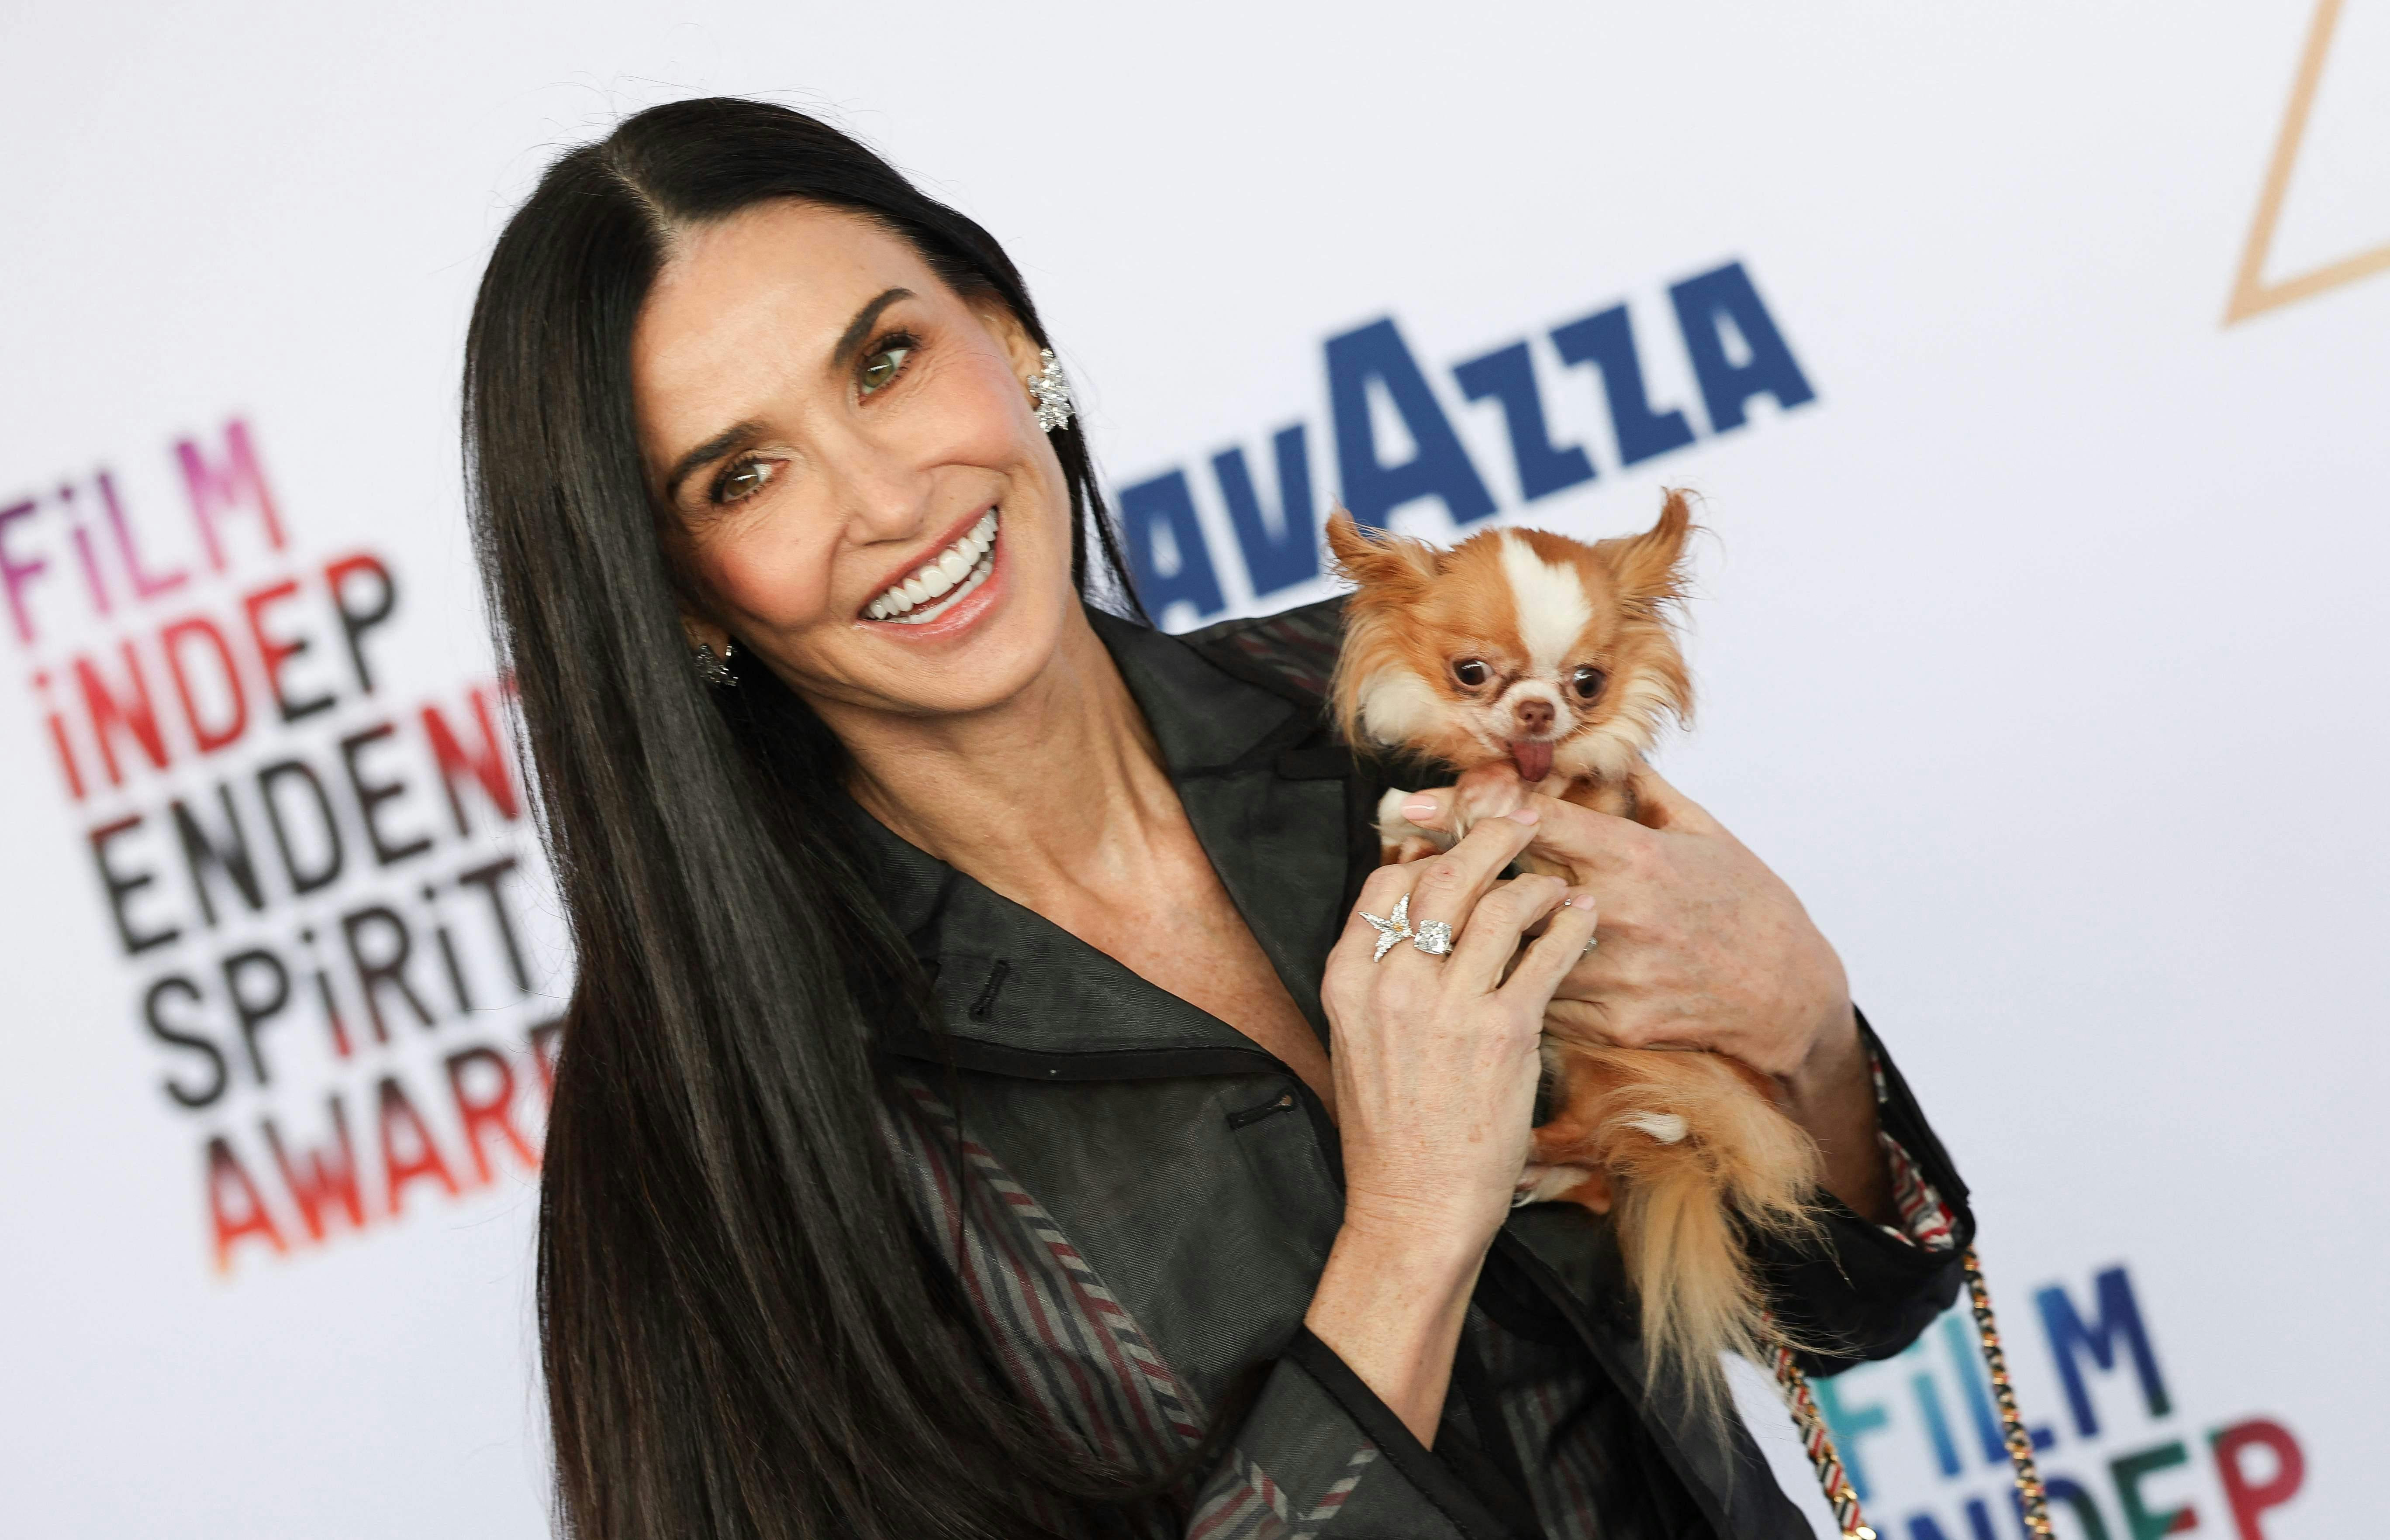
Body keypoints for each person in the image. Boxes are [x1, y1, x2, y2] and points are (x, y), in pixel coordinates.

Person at [462, 96, 1971, 1540]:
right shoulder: (713, 1098)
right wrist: (1407, 1237)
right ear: (679, 596)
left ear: (1009, 338)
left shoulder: (1399, 717)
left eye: (886, 362)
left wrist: (1802, 1024)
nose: (889, 499)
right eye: (744, 477)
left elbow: (1836, 1312)